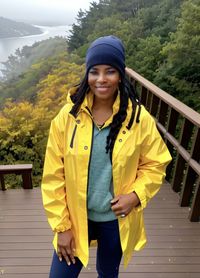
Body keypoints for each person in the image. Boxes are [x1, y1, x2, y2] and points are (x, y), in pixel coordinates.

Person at [41, 35, 172, 278]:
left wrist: (135, 196)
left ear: (120, 74)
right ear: (87, 75)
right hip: (75, 218)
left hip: (115, 220)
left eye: (110, 71)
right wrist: (62, 227)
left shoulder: (138, 119)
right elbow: (53, 176)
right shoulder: (67, 117)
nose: (101, 79)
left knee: (108, 273)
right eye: (95, 71)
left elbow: (156, 163)